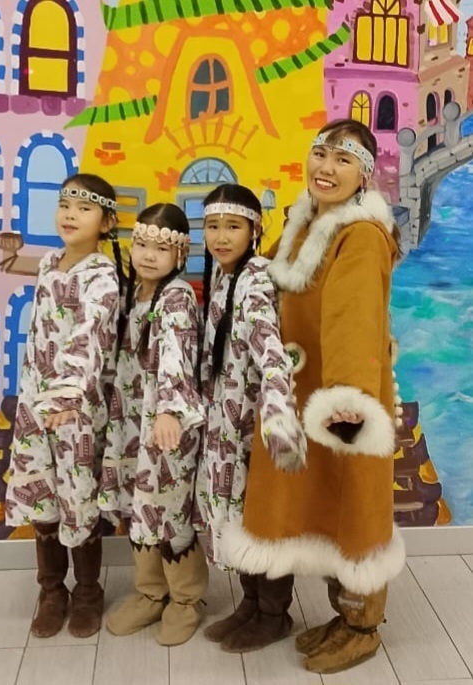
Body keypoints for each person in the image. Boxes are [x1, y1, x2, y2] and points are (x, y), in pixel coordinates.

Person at [218, 119, 406, 672]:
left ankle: (362, 625)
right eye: (321, 154)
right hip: (300, 388)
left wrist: (347, 399)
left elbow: (355, 316)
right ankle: (336, 616)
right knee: (319, 503)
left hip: (340, 397)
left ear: (364, 175)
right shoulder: (304, 222)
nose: (326, 168)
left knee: (352, 506)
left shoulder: (360, 234)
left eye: (343, 160)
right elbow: (267, 287)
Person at [5, 173, 123, 639]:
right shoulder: (50, 262)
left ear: (106, 222)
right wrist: (10, 255)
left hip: (76, 409)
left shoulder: (103, 277)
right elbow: (35, 280)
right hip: (35, 404)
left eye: (84, 207)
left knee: (78, 495)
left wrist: (68, 393)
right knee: (41, 494)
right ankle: (51, 591)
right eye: (65, 204)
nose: (70, 214)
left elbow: (89, 337)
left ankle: (88, 592)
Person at [195, 183, 306, 653]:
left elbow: (271, 352)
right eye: (212, 226)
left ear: (255, 230)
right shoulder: (224, 278)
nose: (221, 237)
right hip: (225, 423)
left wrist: (279, 415)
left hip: (251, 428)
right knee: (236, 519)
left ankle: (274, 614)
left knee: (263, 522)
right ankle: (251, 604)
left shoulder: (256, 279)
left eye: (233, 226)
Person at [100, 203, 208, 646]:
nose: (148, 255)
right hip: (131, 423)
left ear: (180, 254)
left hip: (167, 424)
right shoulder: (132, 293)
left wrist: (169, 410)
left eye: (161, 248)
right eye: (142, 244)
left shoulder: (176, 297)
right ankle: (150, 592)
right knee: (138, 505)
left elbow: (176, 355)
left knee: (168, 509)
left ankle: (186, 599)